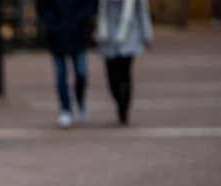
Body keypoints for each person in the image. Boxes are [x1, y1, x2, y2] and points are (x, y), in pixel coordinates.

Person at [36, 0, 100, 128]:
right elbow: (42, 7)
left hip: (77, 34)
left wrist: (81, 19)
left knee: (80, 72)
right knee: (60, 74)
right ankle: (65, 109)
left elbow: (91, 4)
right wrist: (52, 23)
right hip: (56, 35)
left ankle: (80, 102)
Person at [95, 0, 154, 125]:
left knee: (124, 74)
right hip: (108, 36)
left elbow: (142, 12)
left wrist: (147, 35)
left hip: (128, 35)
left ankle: (123, 109)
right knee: (112, 77)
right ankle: (119, 101)